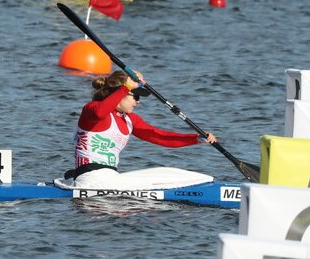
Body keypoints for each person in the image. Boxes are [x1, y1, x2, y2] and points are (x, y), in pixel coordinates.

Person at [55, 70, 218, 190]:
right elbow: (100, 112)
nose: (138, 102)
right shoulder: (91, 110)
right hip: (90, 179)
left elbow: (159, 136)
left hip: (109, 179)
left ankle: (207, 186)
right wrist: (126, 87)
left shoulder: (129, 120)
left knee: (166, 172)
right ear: (120, 93)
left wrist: (195, 139)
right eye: (136, 96)